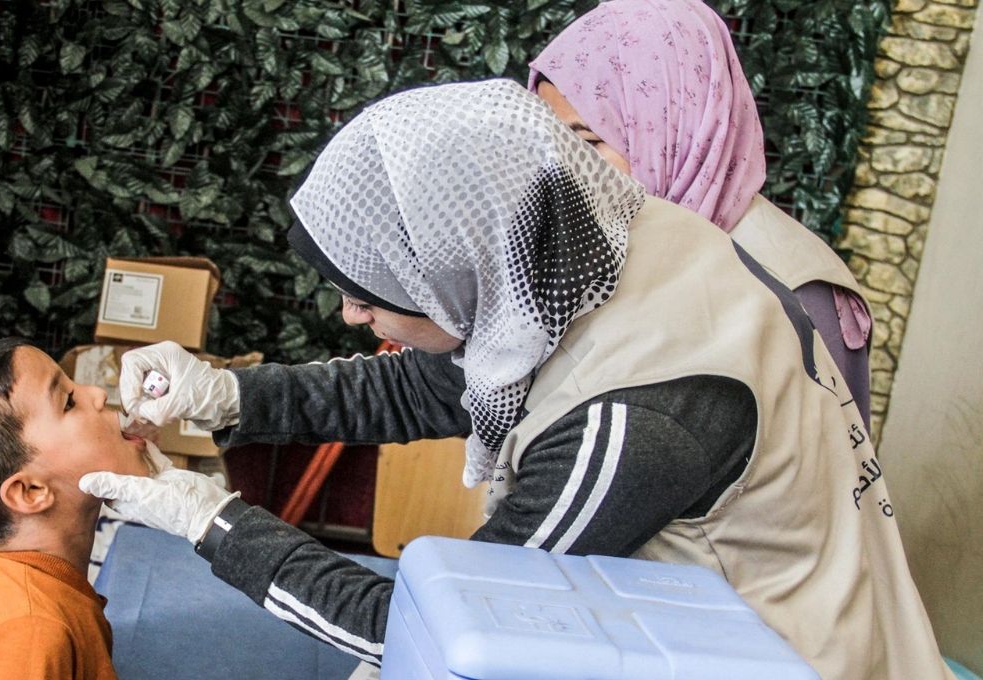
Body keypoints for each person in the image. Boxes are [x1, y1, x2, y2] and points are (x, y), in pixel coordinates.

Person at [80, 80, 950, 679]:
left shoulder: (633, 425)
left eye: (367, 295)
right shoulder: (606, 235)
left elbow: (441, 626)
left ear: (457, 271)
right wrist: (231, 394)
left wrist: (214, 524)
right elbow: (452, 380)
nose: (348, 315)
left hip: (796, 657)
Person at [527, 0, 875, 429]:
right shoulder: (603, 246)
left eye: (586, 143)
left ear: (674, 127)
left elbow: (823, 479)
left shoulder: (795, 291)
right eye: (548, 141)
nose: (560, 168)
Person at [0, 338, 165, 680]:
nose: (96, 393)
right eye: (68, 402)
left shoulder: (39, 594)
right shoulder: (28, 634)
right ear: (31, 491)